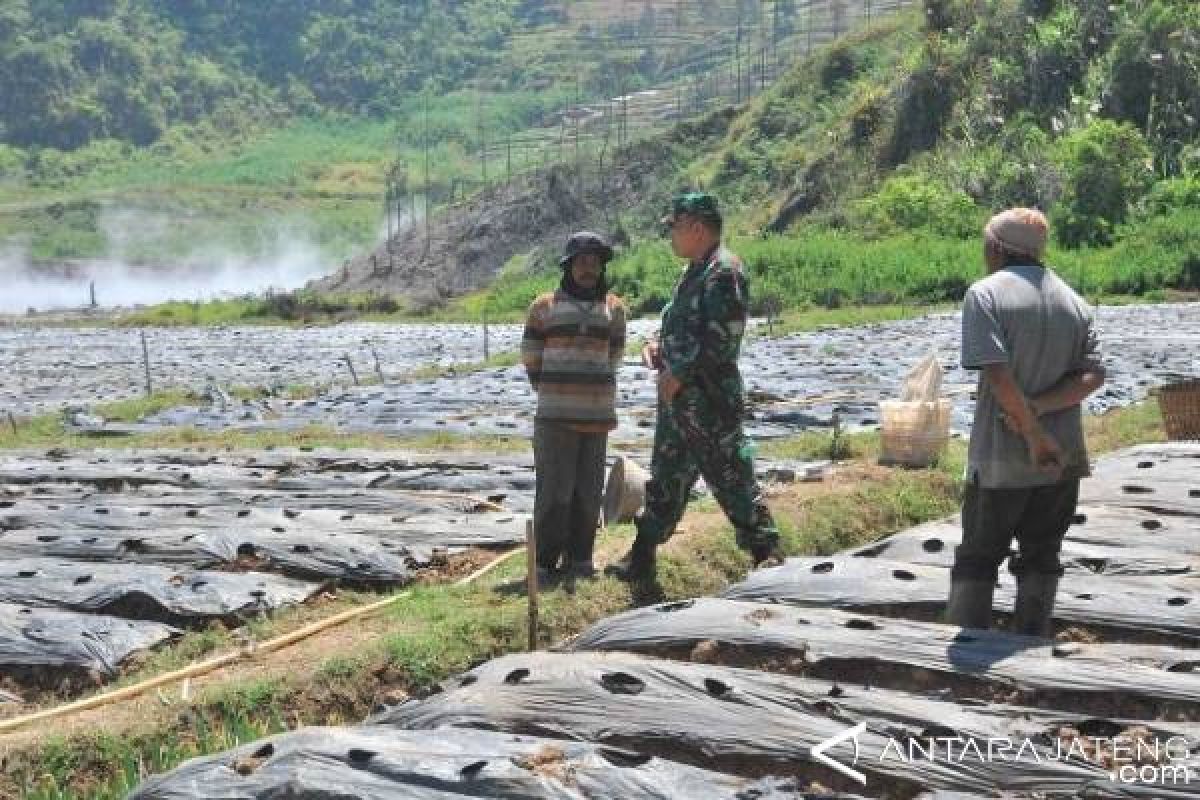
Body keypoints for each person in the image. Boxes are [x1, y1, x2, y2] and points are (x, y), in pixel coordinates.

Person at [947, 208, 1106, 637]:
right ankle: (1032, 638)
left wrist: (1032, 434)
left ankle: (967, 649)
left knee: (979, 556)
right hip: (1062, 460)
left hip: (1001, 461)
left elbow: (998, 374)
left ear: (996, 248)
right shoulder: (1073, 301)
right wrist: (1039, 408)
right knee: (1042, 554)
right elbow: (1092, 376)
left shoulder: (985, 295)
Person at [607, 192, 781, 583]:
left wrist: (681, 371)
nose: (672, 236)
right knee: (666, 478)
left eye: (676, 227)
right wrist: (659, 347)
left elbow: (724, 340)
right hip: (679, 402)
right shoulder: (693, 272)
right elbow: (685, 328)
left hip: (709, 402)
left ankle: (766, 553)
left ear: (697, 228)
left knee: (731, 477)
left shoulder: (724, 272)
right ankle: (642, 556)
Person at [522, 231, 627, 582]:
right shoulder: (544, 306)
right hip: (554, 418)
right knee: (554, 492)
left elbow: (614, 355)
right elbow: (531, 356)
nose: (589, 269)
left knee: (587, 493)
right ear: (568, 266)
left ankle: (580, 560)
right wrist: (555, 390)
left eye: (595, 262)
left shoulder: (614, 309)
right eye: (581, 262)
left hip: (597, 418)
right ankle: (544, 565)